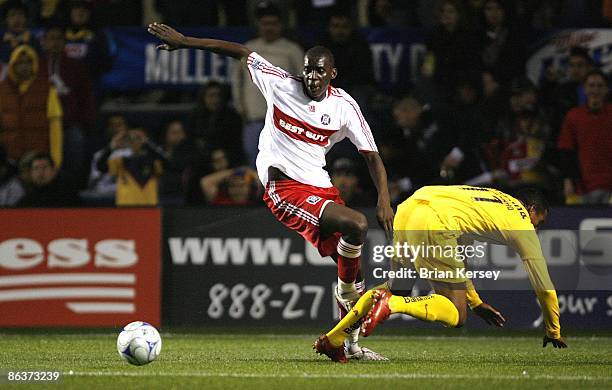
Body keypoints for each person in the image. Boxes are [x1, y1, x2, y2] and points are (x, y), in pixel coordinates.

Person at [148, 21, 394, 360]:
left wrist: (385, 200)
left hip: (319, 186)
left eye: (319, 72)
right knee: (357, 225)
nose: (311, 77)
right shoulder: (279, 83)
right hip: (283, 186)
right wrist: (185, 41)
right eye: (307, 69)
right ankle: (346, 321)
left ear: (331, 74)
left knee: (348, 262)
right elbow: (239, 51)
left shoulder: (344, 107)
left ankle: (347, 343)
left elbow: (372, 157)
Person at [314, 185, 567, 363]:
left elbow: (457, 261)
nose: (536, 227)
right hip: (436, 219)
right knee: (456, 315)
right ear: (531, 209)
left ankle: (334, 338)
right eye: (539, 221)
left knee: (396, 287)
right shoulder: (521, 221)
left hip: (409, 208)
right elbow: (543, 283)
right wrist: (553, 330)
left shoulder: (492, 200)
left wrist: (476, 302)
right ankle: (391, 305)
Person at [230, 3, 303, 167]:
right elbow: (237, 81)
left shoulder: (292, 50)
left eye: (273, 24)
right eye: (265, 24)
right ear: (259, 25)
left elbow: (303, 83)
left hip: (283, 119)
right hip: (254, 118)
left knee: (283, 166)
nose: (269, 28)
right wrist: (240, 107)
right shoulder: (248, 48)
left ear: (281, 25)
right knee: (254, 164)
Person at [0, 45, 63, 166]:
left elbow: (55, 127)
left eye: (29, 62)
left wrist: (55, 160)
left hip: (37, 158)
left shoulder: (47, 89)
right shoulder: (1, 90)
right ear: (12, 65)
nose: (24, 66)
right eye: (20, 62)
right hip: (9, 157)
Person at [557, 70, 612, 204]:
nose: (595, 90)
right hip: (584, 188)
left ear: (606, 89)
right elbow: (567, 151)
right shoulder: (573, 116)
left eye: (599, 86)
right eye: (591, 86)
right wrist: (568, 181)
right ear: (584, 89)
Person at [97, 127, 168, 206]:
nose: (134, 142)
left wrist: (148, 144)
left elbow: (169, 164)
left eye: (138, 138)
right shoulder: (120, 161)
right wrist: (112, 146)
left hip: (148, 205)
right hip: (126, 206)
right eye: (131, 139)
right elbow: (101, 166)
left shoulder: (154, 161)